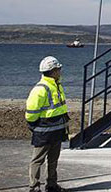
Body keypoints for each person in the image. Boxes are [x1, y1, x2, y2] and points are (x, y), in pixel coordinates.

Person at [26, 56, 70, 192]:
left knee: (53, 159)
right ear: (53, 71)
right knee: (38, 159)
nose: (60, 71)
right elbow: (31, 113)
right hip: (44, 131)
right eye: (58, 69)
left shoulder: (56, 86)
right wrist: (35, 125)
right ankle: (34, 187)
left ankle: (51, 185)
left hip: (56, 130)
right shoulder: (41, 89)